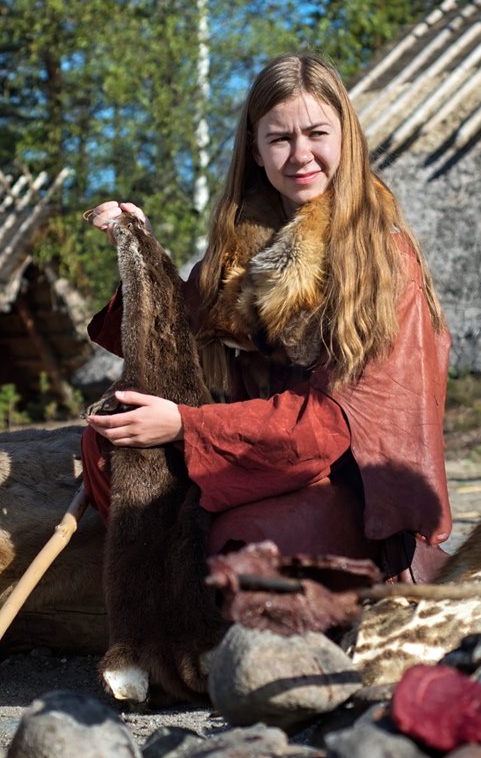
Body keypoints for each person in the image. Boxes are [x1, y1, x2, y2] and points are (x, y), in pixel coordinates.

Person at [82, 53, 452, 641]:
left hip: (343, 484)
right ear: (255, 150)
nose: (300, 154)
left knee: (243, 558)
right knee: (111, 445)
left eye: (317, 134)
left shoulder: (381, 260)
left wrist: (185, 427)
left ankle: (200, 637)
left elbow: (333, 426)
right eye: (279, 138)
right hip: (254, 460)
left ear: (347, 138)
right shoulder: (240, 251)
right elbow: (173, 335)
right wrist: (140, 252)